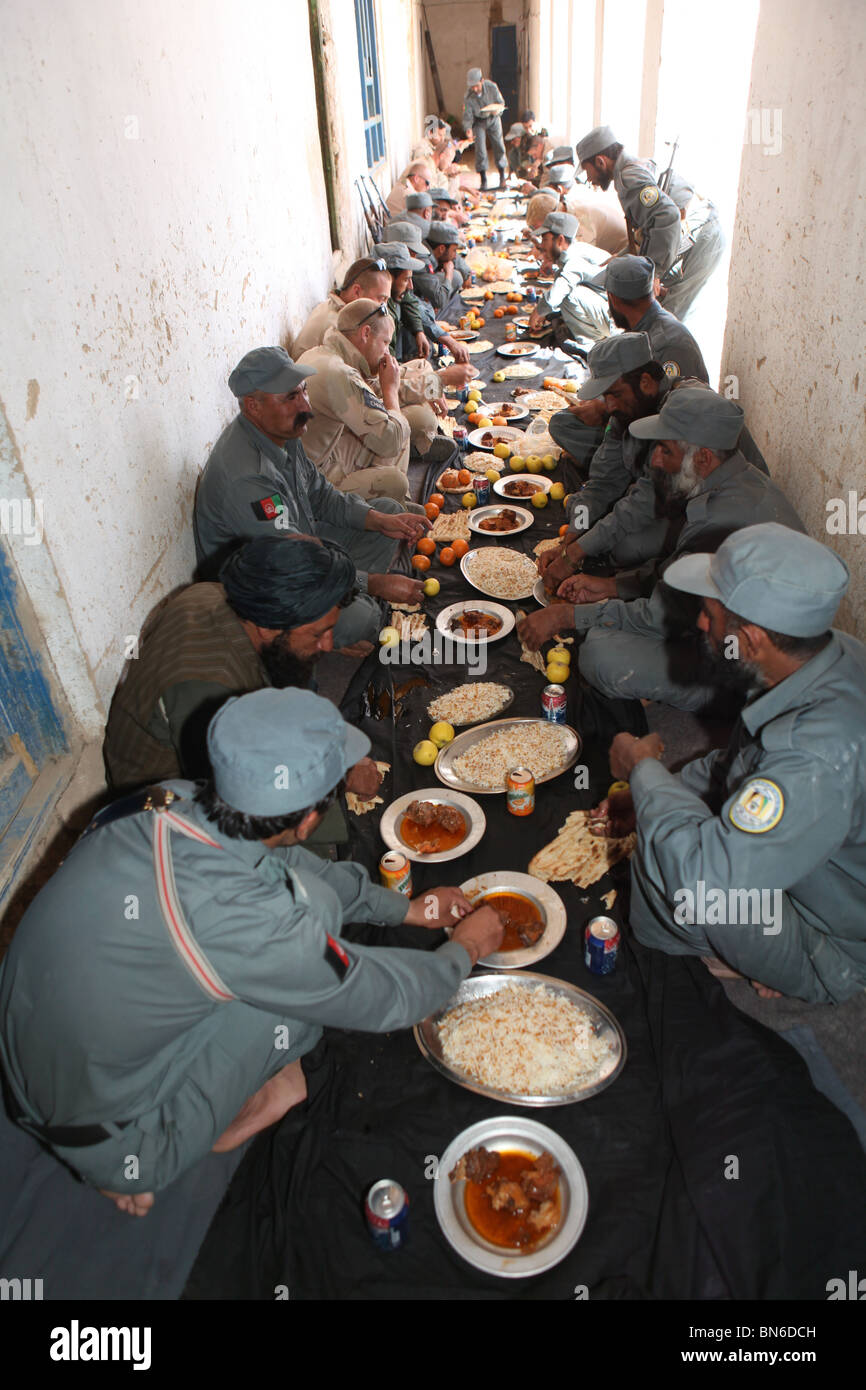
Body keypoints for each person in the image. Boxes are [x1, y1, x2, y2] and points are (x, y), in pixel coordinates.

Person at [0, 687, 505, 1210]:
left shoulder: (170, 797)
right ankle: (140, 1161)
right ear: (308, 821)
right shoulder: (245, 920)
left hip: (28, 1061)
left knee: (275, 938)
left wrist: (408, 910)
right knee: (299, 1006)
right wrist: (464, 949)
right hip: (103, 1132)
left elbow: (291, 867)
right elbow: (383, 998)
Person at [596, 525, 866, 1004]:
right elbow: (741, 762)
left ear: (753, 638)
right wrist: (656, 791)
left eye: (710, 614)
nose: (701, 624)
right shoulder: (824, 654)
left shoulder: (813, 759)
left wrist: (644, 771)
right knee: (667, 819)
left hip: (838, 947)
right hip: (823, 873)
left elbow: (702, 877)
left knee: (663, 862)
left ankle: (798, 968)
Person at [519, 388, 806, 713]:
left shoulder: (719, 519)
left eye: (665, 451)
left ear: (702, 458)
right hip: (730, 626)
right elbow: (682, 574)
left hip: (749, 666)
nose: (655, 460)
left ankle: (728, 703)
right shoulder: (738, 481)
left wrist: (567, 616)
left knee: (601, 654)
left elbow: (663, 615)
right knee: (611, 623)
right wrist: (613, 586)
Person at [104, 535, 392, 794]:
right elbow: (246, 786)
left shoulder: (217, 594)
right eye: (318, 634)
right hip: (166, 802)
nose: (329, 645)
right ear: (267, 628)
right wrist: (340, 774)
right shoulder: (213, 688)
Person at [193, 347, 428, 647]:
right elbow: (291, 563)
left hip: (298, 546)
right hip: (265, 592)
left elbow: (321, 496)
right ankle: (312, 636)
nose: (305, 404)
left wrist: (379, 520)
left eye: (303, 391)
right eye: (290, 397)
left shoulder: (281, 434)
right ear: (252, 406)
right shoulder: (246, 480)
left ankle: (334, 613)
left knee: (386, 510)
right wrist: (375, 584)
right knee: (364, 617)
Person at [297, 299, 413, 502]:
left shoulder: (322, 353)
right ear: (365, 333)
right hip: (312, 483)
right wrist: (390, 392)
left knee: (399, 425)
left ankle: (395, 502)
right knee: (396, 476)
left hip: (323, 454)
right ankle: (392, 506)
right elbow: (390, 441)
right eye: (385, 343)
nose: (387, 352)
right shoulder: (339, 373)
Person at [576, 124, 681, 281]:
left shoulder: (629, 178)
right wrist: (620, 257)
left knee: (667, 304)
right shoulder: (628, 170)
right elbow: (647, 228)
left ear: (600, 162)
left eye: (587, 171)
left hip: (694, 240)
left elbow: (669, 216)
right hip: (672, 243)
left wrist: (654, 273)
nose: (589, 179)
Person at [591, 254, 709, 382]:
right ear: (654, 289)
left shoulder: (666, 344)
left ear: (613, 300)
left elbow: (678, 399)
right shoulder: (645, 330)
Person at [525, 211, 611, 344]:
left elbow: (559, 290)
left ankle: (593, 345)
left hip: (614, 318)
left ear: (560, 240)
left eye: (545, 239)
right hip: (603, 309)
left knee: (567, 293)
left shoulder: (575, 258)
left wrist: (538, 312)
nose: (542, 245)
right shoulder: (571, 252)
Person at [291, 256, 391, 359]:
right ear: (357, 291)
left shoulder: (339, 311)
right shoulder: (338, 324)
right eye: (381, 299)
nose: (384, 307)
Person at [461, 66, 507, 190]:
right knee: (480, 149)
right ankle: (483, 180)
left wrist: (496, 111)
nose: (475, 89)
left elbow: (501, 103)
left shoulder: (492, 87)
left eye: (477, 85)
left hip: (493, 118)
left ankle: (502, 176)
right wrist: (468, 128)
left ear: (482, 81)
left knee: (499, 145)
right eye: (472, 87)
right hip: (479, 121)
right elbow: (467, 115)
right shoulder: (469, 96)